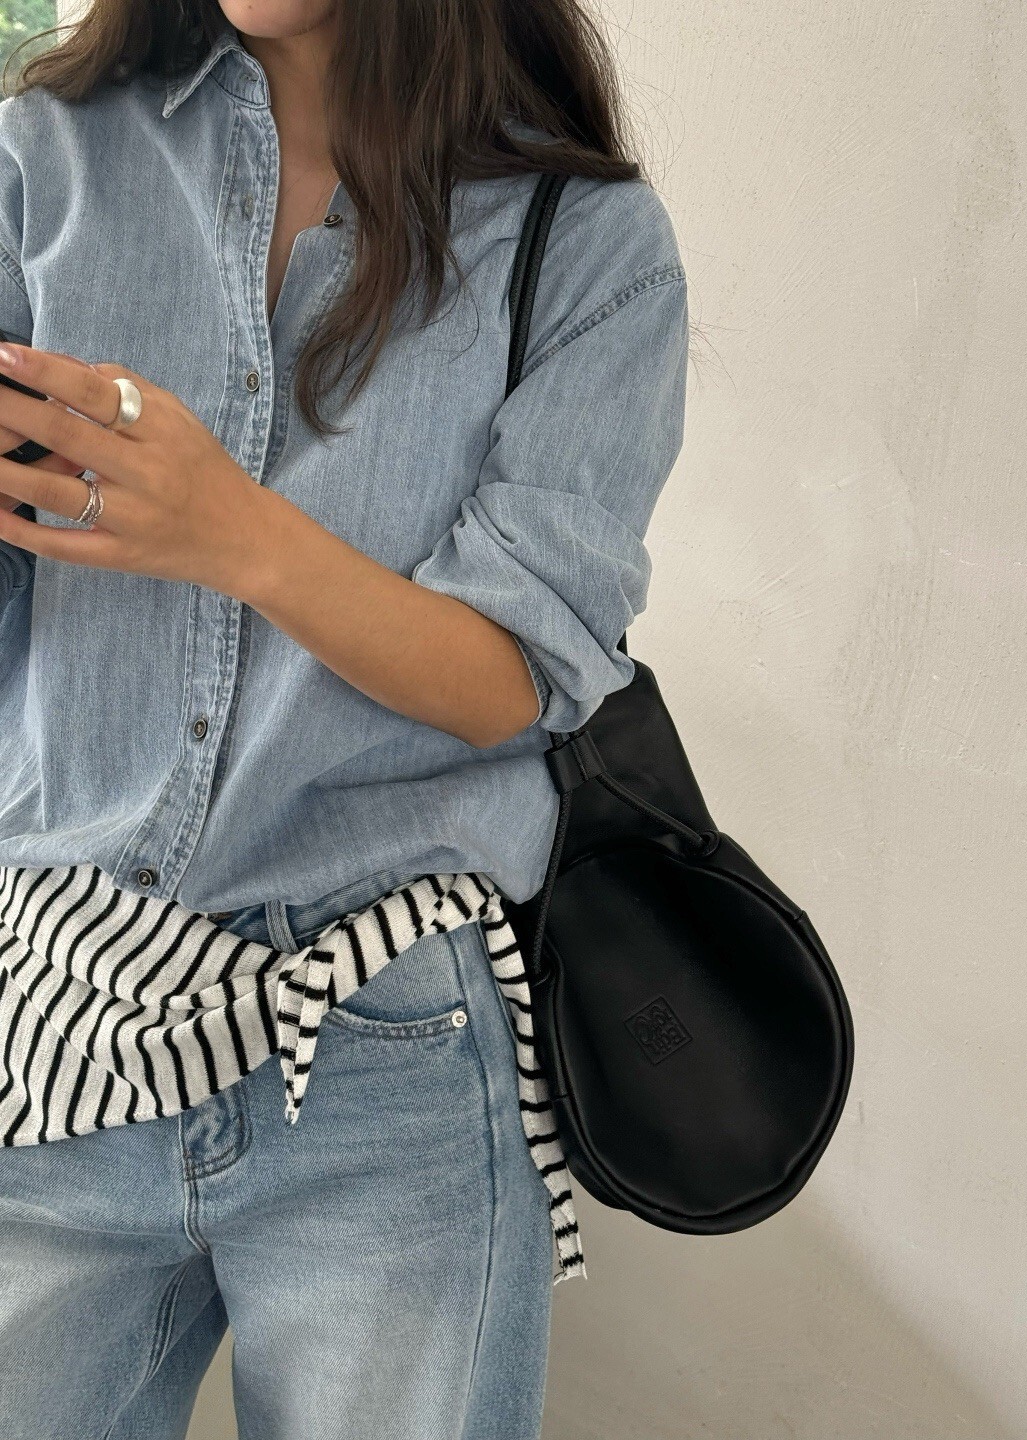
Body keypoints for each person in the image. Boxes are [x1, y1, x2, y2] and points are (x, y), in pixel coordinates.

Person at [0, 1, 690, 1435]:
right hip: (58, 1016)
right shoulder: (42, 158)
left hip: (393, 1045)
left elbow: (510, 675)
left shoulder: (582, 241)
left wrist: (233, 531)